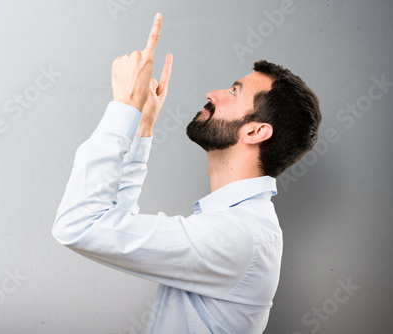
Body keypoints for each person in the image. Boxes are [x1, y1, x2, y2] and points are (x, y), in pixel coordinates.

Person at [52, 13, 321, 333]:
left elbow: (79, 225)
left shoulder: (237, 237)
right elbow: (112, 226)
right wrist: (141, 127)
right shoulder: (235, 223)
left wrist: (124, 105)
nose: (213, 93)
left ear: (255, 132)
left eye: (235, 91)